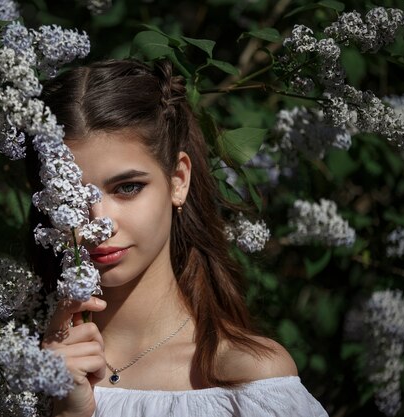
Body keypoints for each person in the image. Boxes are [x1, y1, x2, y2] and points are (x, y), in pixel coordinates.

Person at [27, 59, 328, 417]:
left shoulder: (248, 384)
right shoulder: (11, 374)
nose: (100, 222)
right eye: (71, 198)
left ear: (178, 180)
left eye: (127, 188)